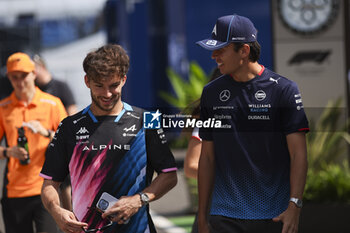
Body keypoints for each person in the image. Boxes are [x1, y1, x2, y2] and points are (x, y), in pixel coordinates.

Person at [40, 44, 178, 233]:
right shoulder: (69, 126)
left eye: (113, 85)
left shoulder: (148, 120)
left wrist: (139, 199)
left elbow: (169, 175)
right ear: (87, 81)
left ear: (124, 80)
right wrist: (57, 211)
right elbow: (49, 184)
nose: (107, 94)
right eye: (99, 86)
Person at [196, 15, 309, 233]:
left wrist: (295, 205)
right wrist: (202, 217)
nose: (214, 55)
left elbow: (299, 154)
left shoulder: (284, 90)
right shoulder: (211, 93)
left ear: (244, 50)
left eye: (221, 49)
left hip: (275, 215)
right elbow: (207, 156)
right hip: (224, 215)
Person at [0, 52, 67, 233]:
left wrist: (46, 132)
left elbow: (70, 142)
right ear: (9, 78)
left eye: (24, 75)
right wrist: (8, 152)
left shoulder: (52, 104)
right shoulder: (3, 107)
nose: (20, 81)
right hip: (14, 191)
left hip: (47, 188)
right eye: (15, 77)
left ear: (34, 74)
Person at [34, 54, 78, 212]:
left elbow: (72, 117)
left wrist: (49, 132)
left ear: (42, 67)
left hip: (59, 143)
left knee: (66, 186)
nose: (31, 75)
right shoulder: (34, 89)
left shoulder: (60, 86)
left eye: (33, 70)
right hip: (40, 150)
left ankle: (72, 218)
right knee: (49, 188)